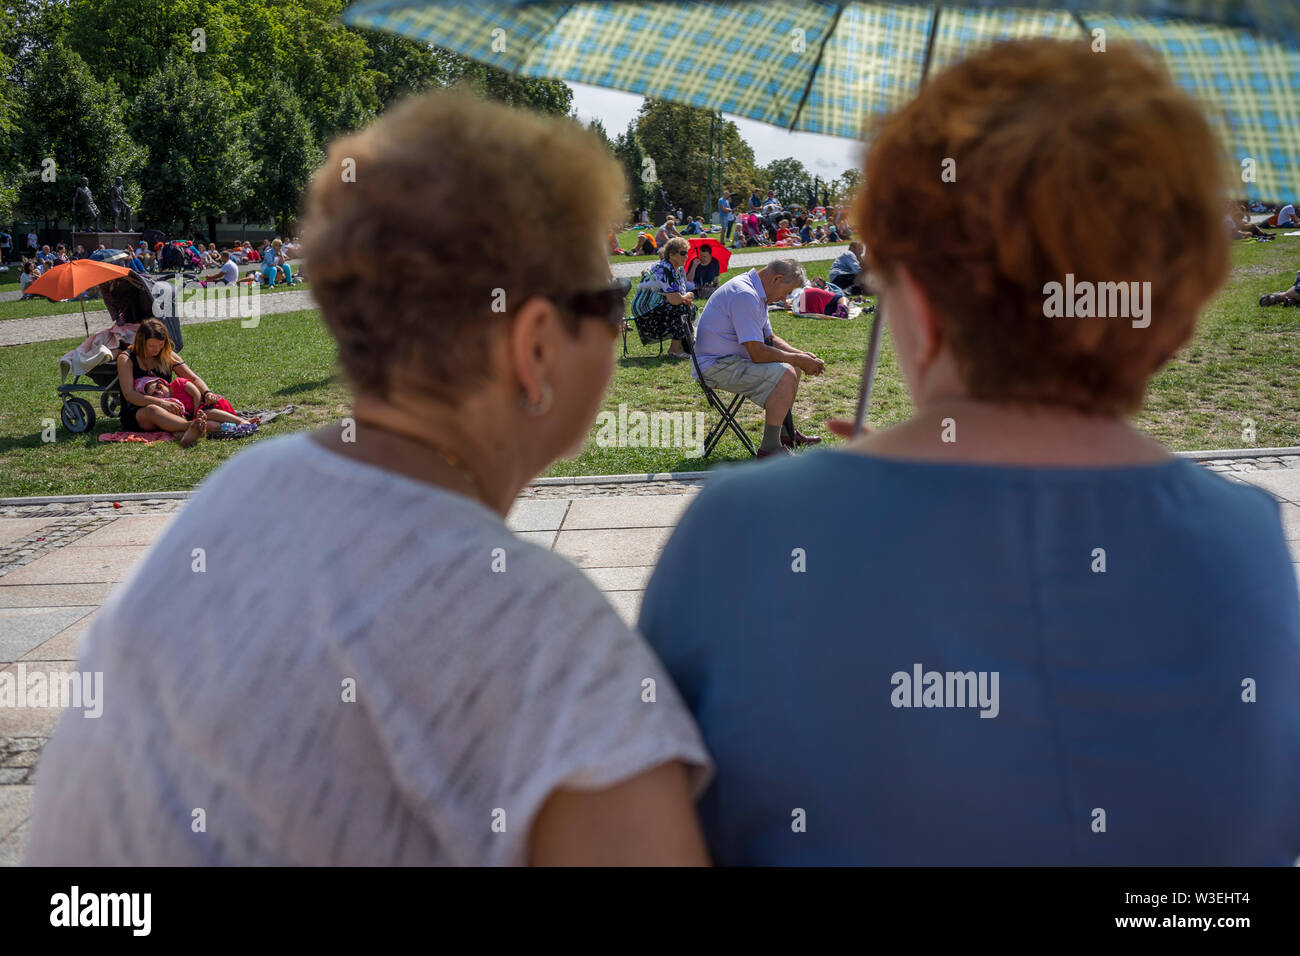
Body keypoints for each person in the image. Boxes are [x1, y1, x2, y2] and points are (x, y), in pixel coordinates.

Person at [639, 38, 1300, 866]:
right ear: (1170, 314)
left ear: (919, 295)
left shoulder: (739, 530)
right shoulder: (1245, 541)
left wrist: (870, 500)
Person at [28, 90, 711, 868]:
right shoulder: (546, 639)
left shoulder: (231, 499)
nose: (621, 328)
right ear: (535, 343)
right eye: (609, 302)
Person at [691, 259, 825, 456]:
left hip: (727, 361)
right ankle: (770, 449)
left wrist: (800, 356)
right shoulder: (745, 295)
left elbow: (769, 339)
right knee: (787, 372)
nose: (783, 298)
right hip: (715, 367)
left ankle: (785, 434)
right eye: (786, 292)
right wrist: (797, 359)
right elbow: (758, 353)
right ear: (777, 279)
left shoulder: (754, 290)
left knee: (792, 367)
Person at [110, 318, 245, 445]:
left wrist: (207, 392)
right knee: (153, 410)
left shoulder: (167, 354)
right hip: (139, 412)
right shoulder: (126, 359)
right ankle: (190, 426)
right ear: (141, 342)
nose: (156, 349)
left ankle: (235, 423)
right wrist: (161, 403)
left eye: (160, 345)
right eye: (151, 346)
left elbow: (193, 378)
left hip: (171, 408)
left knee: (204, 405)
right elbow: (129, 395)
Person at [630, 236, 696, 358]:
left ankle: (687, 344)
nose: (686, 256)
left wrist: (686, 298)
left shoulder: (679, 270)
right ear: (671, 255)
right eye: (682, 253)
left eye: (687, 253)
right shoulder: (664, 269)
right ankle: (675, 350)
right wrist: (686, 296)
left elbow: (679, 295)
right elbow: (675, 300)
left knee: (691, 307)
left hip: (657, 307)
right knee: (680, 308)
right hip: (645, 313)